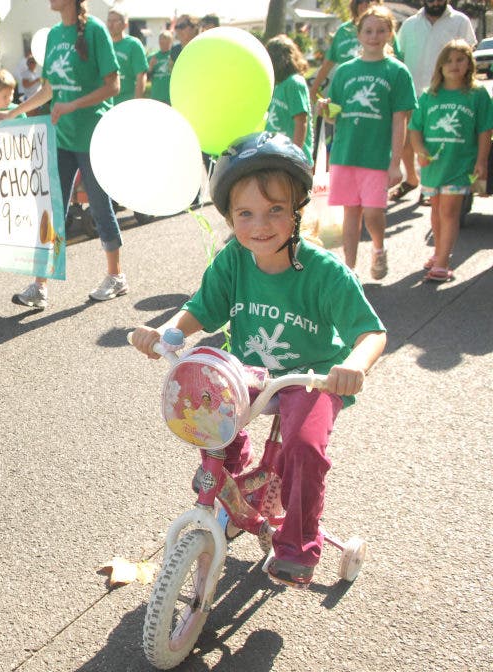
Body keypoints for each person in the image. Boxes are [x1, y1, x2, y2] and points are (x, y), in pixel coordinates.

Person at [129, 131, 387, 588]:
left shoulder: (324, 272)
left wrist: (355, 366)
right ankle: (230, 473)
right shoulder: (235, 259)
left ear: (297, 211)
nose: (259, 225)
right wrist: (168, 332)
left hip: (312, 379)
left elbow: (370, 332)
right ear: (229, 217)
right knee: (202, 390)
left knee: (304, 450)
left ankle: (297, 546)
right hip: (249, 372)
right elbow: (202, 307)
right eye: (244, 213)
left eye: (275, 211)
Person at [0, 0, 124, 309]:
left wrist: (73, 105)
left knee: (99, 206)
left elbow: (113, 86)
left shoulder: (95, 31)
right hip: (62, 138)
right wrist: (14, 113)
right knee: (51, 208)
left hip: (92, 136)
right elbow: (48, 90)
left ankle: (116, 276)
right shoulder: (54, 35)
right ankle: (39, 286)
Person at [319, 5, 415, 280]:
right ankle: (349, 268)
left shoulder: (397, 72)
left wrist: (396, 163)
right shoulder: (345, 71)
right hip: (346, 155)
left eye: (381, 30)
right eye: (368, 30)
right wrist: (325, 109)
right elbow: (336, 115)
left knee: (373, 212)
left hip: (377, 157)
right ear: (359, 34)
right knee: (351, 213)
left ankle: (378, 248)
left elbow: (400, 121)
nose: (374, 36)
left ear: (389, 34)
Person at [408, 40, 491, 282]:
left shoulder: (477, 94)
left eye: (460, 60)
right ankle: (438, 253)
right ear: (440, 66)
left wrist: (482, 161)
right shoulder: (429, 95)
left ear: (469, 63)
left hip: (460, 164)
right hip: (434, 165)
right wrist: (419, 150)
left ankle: (443, 263)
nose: (454, 65)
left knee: (450, 211)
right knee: (435, 210)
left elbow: (485, 130)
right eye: (449, 60)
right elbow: (415, 129)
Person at [393, 0, 476, 204]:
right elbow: (399, 56)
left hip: (443, 95)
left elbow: (467, 56)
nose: (435, 2)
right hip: (411, 94)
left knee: (434, 142)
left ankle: (429, 187)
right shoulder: (410, 24)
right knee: (406, 143)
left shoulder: (460, 21)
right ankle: (412, 179)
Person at [266, 35, 314, 164]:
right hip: (276, 153)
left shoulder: (294, 83)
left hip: (293, 158)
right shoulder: (277, 84)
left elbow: (301, 121)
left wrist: (295, 153)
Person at [107, 7, 147, 104]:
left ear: (125, 24)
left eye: (115, 21)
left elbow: (141, 76)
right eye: (109, 21)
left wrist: (137, 102)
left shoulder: (133, 44)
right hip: (107, 104)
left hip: (126, 102)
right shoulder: (104, 44)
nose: (110, 25)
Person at [146, 30, 173, 104]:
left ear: (170, 42)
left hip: (170, 97)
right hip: (156, 97)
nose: (163, 44)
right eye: (161, 42)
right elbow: (146, 79)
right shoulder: (152, 57)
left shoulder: (174, 55)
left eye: (165, 41)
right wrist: (151, 67)